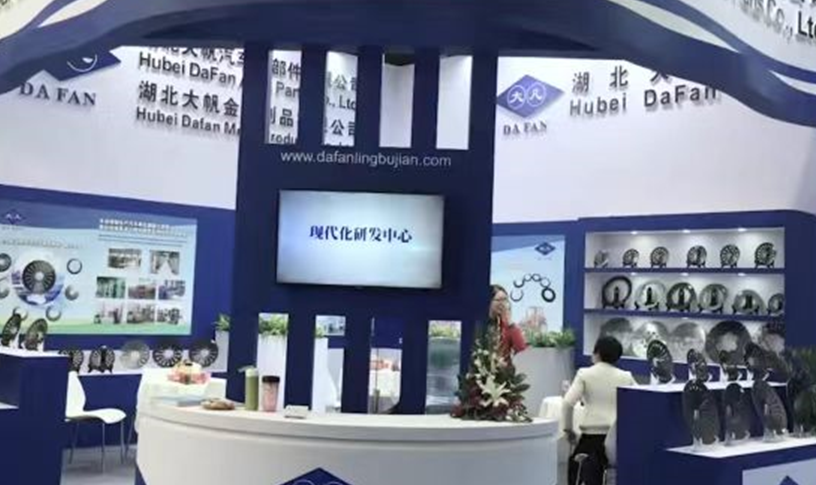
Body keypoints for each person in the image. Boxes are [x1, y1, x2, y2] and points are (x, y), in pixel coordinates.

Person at [564, 336, 636, 485]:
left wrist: (569, 430)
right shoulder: (626, 376)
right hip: (617, 439)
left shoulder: (585, 374)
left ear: (597, 353)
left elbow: (568, 403)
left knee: (578, 472)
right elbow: (640, 402)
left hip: (591, 439)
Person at [489, 284, 527, 358]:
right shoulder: (479, 325)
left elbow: (521, 352)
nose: (503, 304)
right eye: (499, 300)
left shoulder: (507, 327)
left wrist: (510, 323)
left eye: (505, 300)